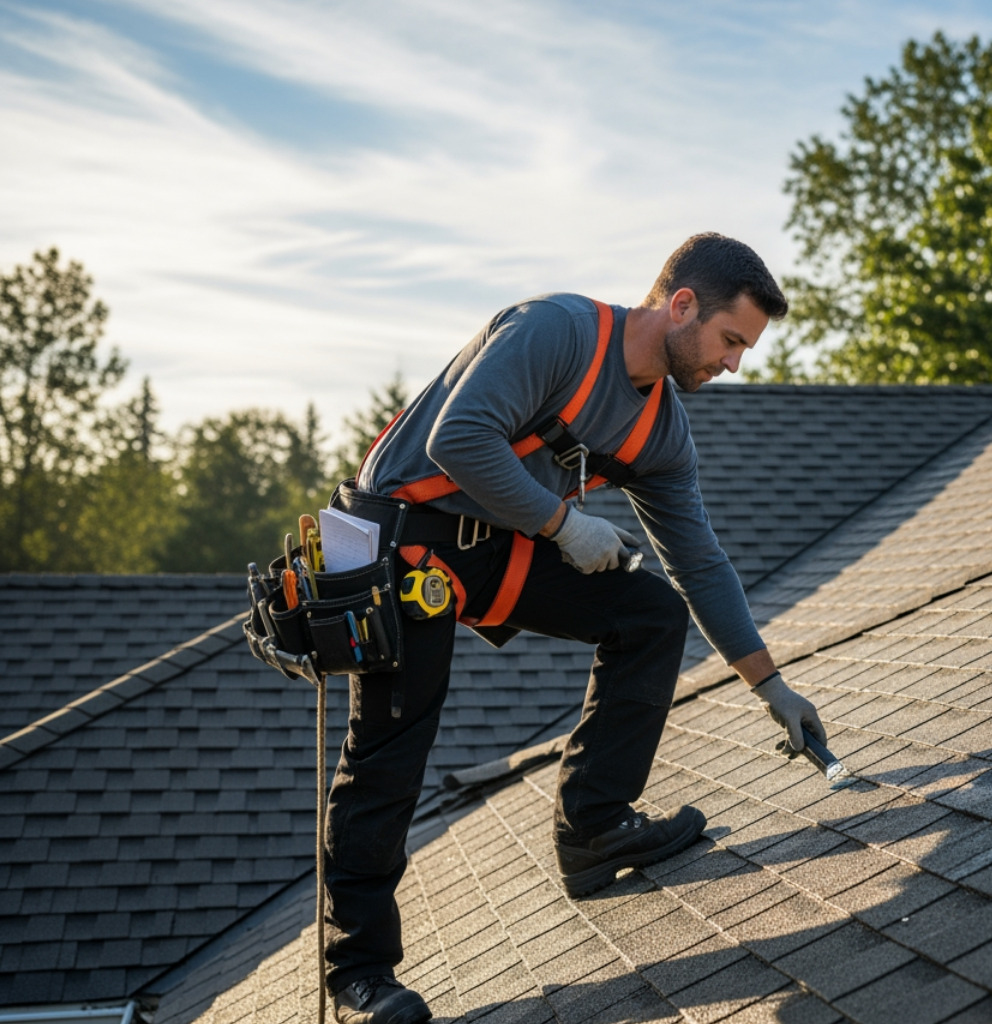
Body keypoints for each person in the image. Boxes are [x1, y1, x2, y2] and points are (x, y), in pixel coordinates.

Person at [322, 233, 826, 1024]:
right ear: (681, 304)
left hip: (499, 543)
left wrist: (773, 686)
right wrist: (563, 522)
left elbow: (700, 563)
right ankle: (358, 977)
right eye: (731, 340)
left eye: (745, 349)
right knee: (391, 744)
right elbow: (460, 439)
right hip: (399, 534)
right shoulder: (556, 331)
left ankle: (594, 827)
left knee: (651, 614)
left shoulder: (662, 433)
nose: (734, 364)